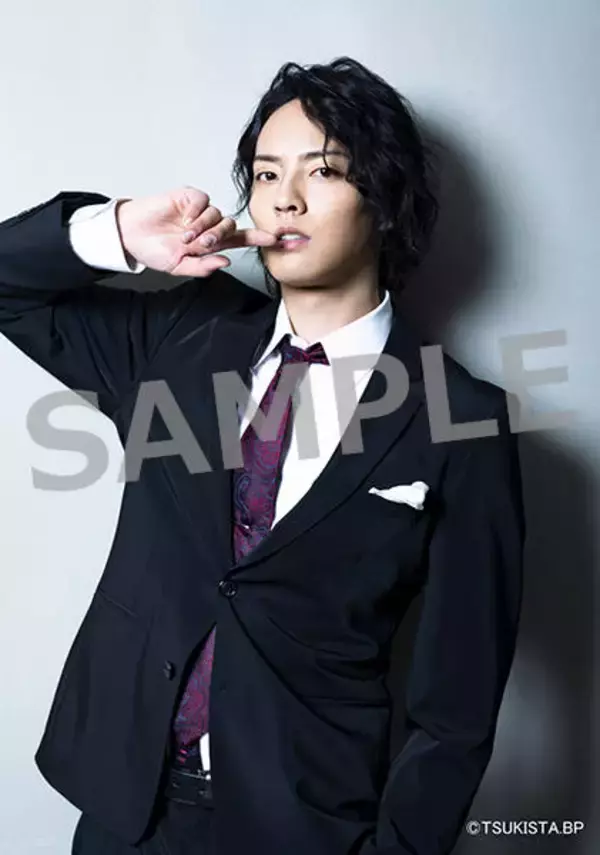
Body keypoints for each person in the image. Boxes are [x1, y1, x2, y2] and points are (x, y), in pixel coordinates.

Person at [0, 56, 525, 855]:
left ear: (386, 202)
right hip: (124, 811)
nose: (284, 197)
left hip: (303, 826)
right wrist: (122, 232)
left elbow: (457, 705)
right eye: (267, 173)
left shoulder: (461, 417)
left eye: (323, 171)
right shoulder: (180, 338)